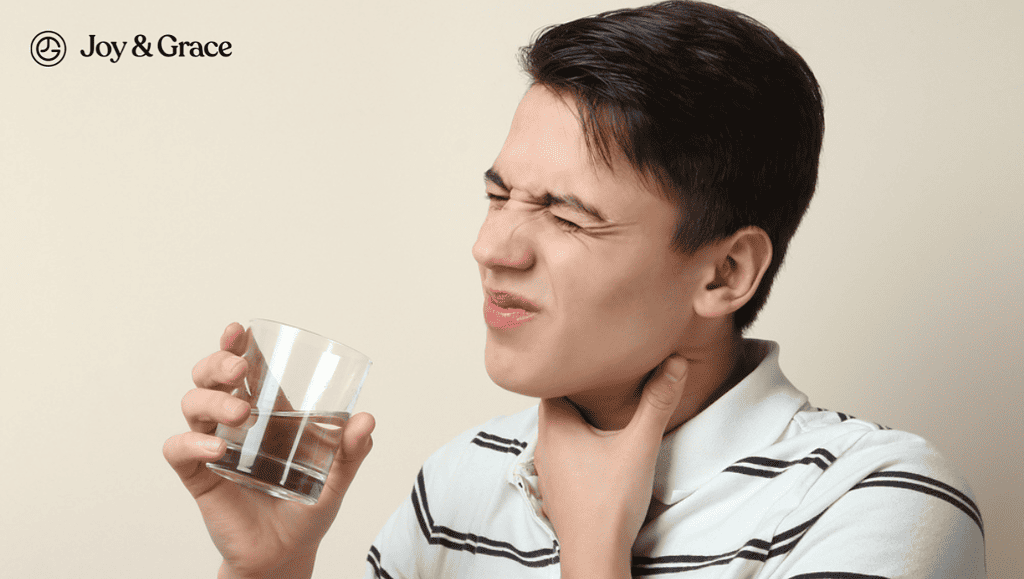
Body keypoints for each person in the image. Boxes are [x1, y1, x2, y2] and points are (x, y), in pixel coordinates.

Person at [163, 1, 987, 577]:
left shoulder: (876, 498)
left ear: (724, 272)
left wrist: (593, 553)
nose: (492, 248)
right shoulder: (461, 481)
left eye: (564, 213)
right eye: (498, 195)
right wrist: (272, 567)